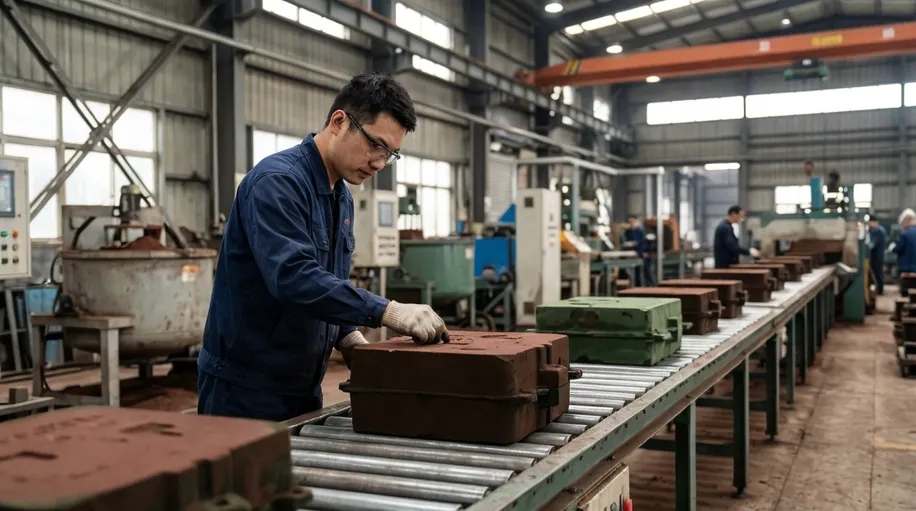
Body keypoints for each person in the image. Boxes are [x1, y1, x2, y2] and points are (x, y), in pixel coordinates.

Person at [197, 73, 449, 422]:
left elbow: (326, 286)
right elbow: (293, 278)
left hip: (302, 387)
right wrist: (387, 311)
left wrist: (349, 339)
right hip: (245, 392)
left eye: (391, 154)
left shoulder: (340, 197)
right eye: (376, 145)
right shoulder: (277, 183)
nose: (379, 163)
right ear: (339, 122)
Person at [623, 215, 653, 286]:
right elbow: (625, 243)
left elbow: (644, 243)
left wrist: (643, 252)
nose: (631, 223)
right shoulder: (627, 232)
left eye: (632, 221)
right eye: (629, 222)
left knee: (646, 273)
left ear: (636, 221)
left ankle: (651, 286)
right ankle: (637, 287)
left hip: (643, 255)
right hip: (633, 255)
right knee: (635, 274)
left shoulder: (641, 231)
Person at [893, 208, 916, 297]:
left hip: (906, 269)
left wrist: (893, 247)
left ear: (906, 221)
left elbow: (898, 248)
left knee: (905, 291)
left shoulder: (904, 234)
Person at [868, 219, 888, 295]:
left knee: (878, 272)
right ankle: (880, 289)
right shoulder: (881, 230)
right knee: (879, 272)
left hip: (877, 256)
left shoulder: (877, 231)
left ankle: (879, 290)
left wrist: (867, 248)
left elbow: (872, 244)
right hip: (879, 255)